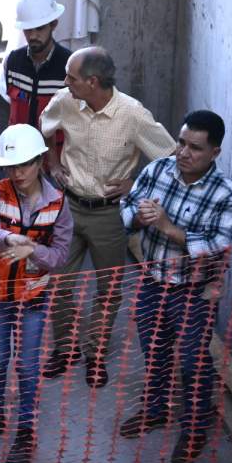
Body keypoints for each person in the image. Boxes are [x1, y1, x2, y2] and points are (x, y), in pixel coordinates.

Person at [39, 46, 176, 388]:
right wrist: (52, 162)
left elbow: (169, 157)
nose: (65, 82)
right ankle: (66, 349)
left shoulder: (133, 114)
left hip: (110, 215)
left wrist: (135, 183)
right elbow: (41, 130)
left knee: (109, 289)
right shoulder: (65, 101)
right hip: (67, 209)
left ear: (92, 81)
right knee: (58, 282)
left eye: (72, 77)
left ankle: (94, 354)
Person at [119, 110, 232, 463]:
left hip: (195, 291)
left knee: (192, 363)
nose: (184, 153)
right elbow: (126, 208)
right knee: (154, 352)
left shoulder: (226, 194)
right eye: (181, 142)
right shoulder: (158, 169)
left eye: (195, 148)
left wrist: (171, 228)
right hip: (153, 282)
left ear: (215, 152)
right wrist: (137, 218)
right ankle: (156, 409)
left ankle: (194, 429)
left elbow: (218, 247)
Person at [0, 124, 72, 463]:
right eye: (11, 166)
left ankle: (25, 431)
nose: (17, 173)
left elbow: (59, 256)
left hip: (33, 297)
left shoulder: (58, 204)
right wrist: (12, 240)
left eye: (25, 164)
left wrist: (33, 251)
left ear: (41, 162)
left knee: (28, 366)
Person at [0, 0, 72, 131]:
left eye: (40, 28)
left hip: (54, 151)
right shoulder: (13, 61)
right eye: (28, 29)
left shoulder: (69, 65)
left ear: (53, 24)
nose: (33, 35)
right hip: (19, 149)